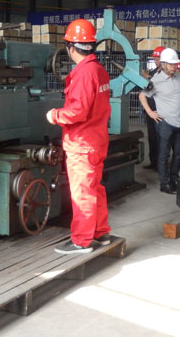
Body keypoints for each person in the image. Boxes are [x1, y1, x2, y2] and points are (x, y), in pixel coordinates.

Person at [46, 19, 111, 254]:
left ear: (71, 47)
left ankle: (81, 241)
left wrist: (55, 115)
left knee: (82, 192)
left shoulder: (83, 73)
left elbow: (77, 111)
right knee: (95, 188)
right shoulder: (99, 71)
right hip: (96, 139)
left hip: (82, 143)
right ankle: (100, 233)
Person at [139, 48, 180, 194]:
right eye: (171, 64)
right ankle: (164, 183)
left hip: (179, 122)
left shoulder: (179, 78)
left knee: (179, 154)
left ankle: (174, 178)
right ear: (164, 64)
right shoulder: (156, 81)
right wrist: (150, 113)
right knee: (164, 155)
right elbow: (142, 96)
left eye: (175, 64)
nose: (174, 67)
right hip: (165, 124)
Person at [143, 46, 165, 170]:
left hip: (160, 109)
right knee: (152, 137)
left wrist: (147, 78)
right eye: (155, 59)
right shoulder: (154, 71)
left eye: (158, 59)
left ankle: (160, 163)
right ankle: (153, 161)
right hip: (150, 109)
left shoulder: (165, 73)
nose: (156, 62)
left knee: (160, 137)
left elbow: (153, 85)